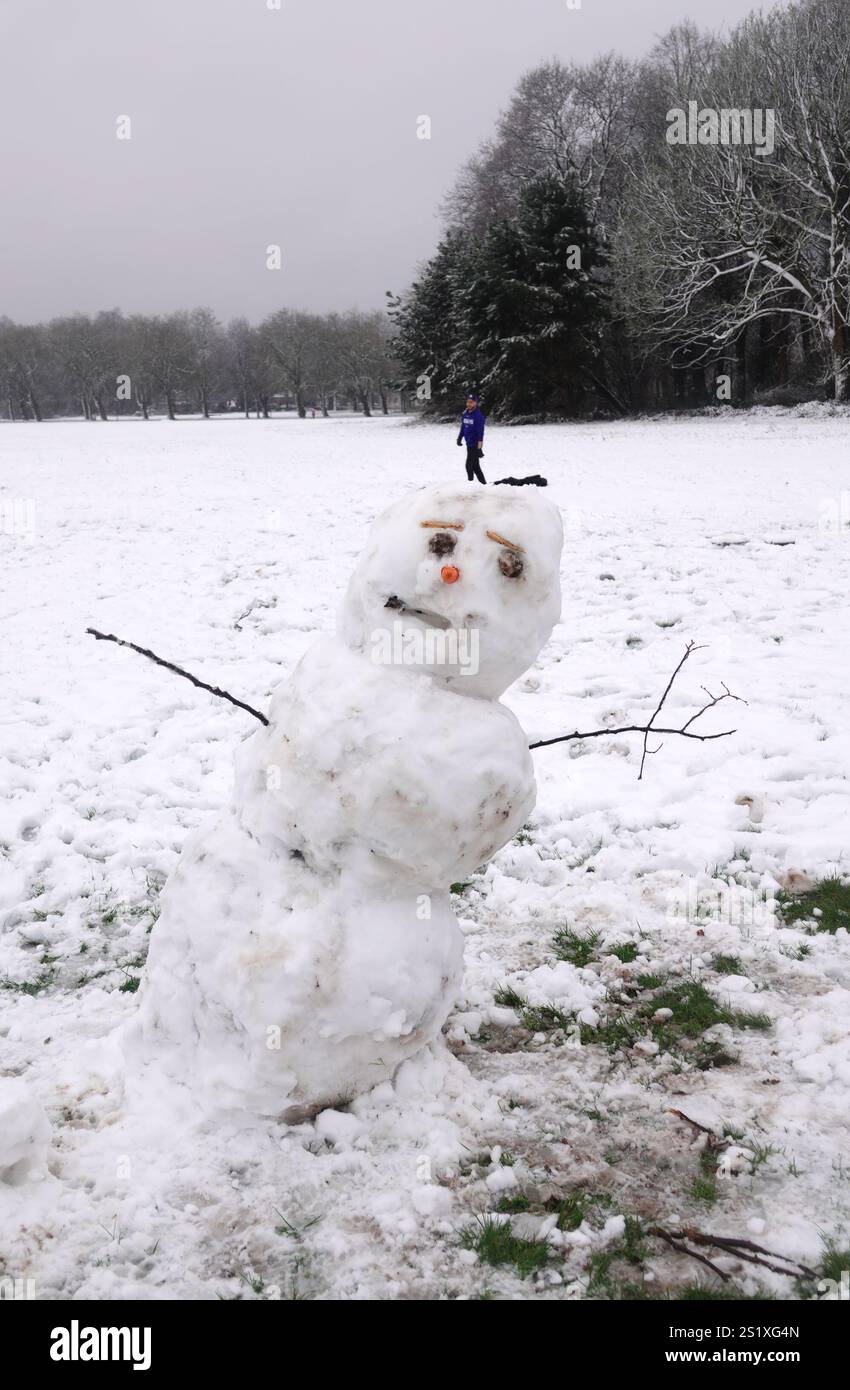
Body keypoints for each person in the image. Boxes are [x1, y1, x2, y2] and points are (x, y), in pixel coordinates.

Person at [456, 392, 486, 484]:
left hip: (474, 444)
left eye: (471, 402)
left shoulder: (478, 416)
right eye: (468, 402)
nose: (469, 404)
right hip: (468, 443)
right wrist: (460, 437)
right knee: (475, 466)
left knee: (469, 466)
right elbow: (463, 427)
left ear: (475, 403)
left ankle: (470, 485)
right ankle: (484, 485)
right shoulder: (465, 414)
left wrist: (479, 447)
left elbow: (480, 432)